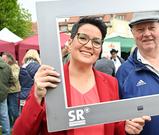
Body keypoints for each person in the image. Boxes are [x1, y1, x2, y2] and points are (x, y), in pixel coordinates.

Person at [13, 17, 149, 135]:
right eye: (83, 38)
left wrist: (126, 127)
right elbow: (20, 132)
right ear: (70, 43)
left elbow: (113, 127)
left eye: (96, 42)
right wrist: (37, 96)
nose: (89, 45)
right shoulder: (49, 81)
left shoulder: (111, 83)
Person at [2, 52, 21, 127]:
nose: (2, 60)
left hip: (13, 91)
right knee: (7, 110)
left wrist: (5, 75)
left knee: (13, 109)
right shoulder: (4, 67)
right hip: (5, 91)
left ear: (9, 59)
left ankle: (17, 124)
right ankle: (10, 125)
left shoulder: (15, 66)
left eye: (4, 59)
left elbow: (15, 78)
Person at [0, 55, 15, 135]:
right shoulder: (8, 67)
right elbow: (11, 80)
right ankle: (6, 133)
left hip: (3, 93)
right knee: (4, 116)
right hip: (3, 94)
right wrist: (5, 88)